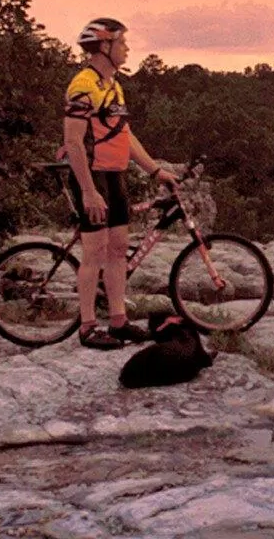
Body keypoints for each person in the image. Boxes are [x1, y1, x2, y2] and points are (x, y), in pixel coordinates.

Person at [62, 18, 177, 349]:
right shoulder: (83, 85)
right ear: (104, 46)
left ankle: (118, 320)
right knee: (94, 253)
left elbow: (124, 135)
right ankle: (86, 327)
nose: (127, 48)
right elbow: (72, 143)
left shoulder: (113, 85)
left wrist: (155, 170)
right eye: (122, 43)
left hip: (116, 173)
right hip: (93, 175)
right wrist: (88, 190)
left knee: (116, 250)